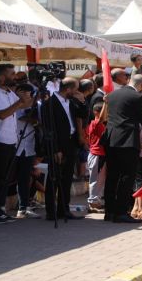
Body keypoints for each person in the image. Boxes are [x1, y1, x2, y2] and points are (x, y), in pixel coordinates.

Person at [0, 64, 33, 224]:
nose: (15, 77)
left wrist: (33, 97)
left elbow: (24, 105)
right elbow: (2, 114)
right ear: (1, 77)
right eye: (11, 74)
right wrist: (19, 102)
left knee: (4, 178)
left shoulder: (8, 92)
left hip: (12, 141)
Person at [103, 74, 142, 223]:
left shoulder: (111, 95)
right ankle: (121, 212)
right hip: (128, 140)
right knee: (127, 176)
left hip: (111, 139)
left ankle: (109, 212)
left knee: (111, 177)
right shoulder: (139, 98)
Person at [40, 77, 85, 221]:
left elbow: (84, 115)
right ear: (68, 89)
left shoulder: (71, 102)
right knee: (54, 178)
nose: (77, 92)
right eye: (76, 89)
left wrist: (82, 101)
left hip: (71, 142)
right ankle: (51, 211)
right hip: (58, 144)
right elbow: (49, 128)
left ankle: (64, 209)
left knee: (67, 178)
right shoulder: (50, 104)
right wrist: (55, 149)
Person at [14, 82, 41, 219]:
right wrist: (35, 120)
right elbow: (22, 117)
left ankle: (23, 208)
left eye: (29, 93)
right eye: (22, 91)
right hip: (13, 144)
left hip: (28, 146)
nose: (26, 95)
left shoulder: (36, 105)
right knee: (6, 178)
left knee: (25, 178)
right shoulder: (14, 103)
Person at [87, 102, 107, 213]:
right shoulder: (95, 123)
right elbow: (101, 119)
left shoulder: (101, 124)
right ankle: (92, 202)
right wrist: (106, 103)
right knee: (95, 179)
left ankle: (96, 201)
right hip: (96, 154)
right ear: (96, 112)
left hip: (101, 155)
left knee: (100, 180)